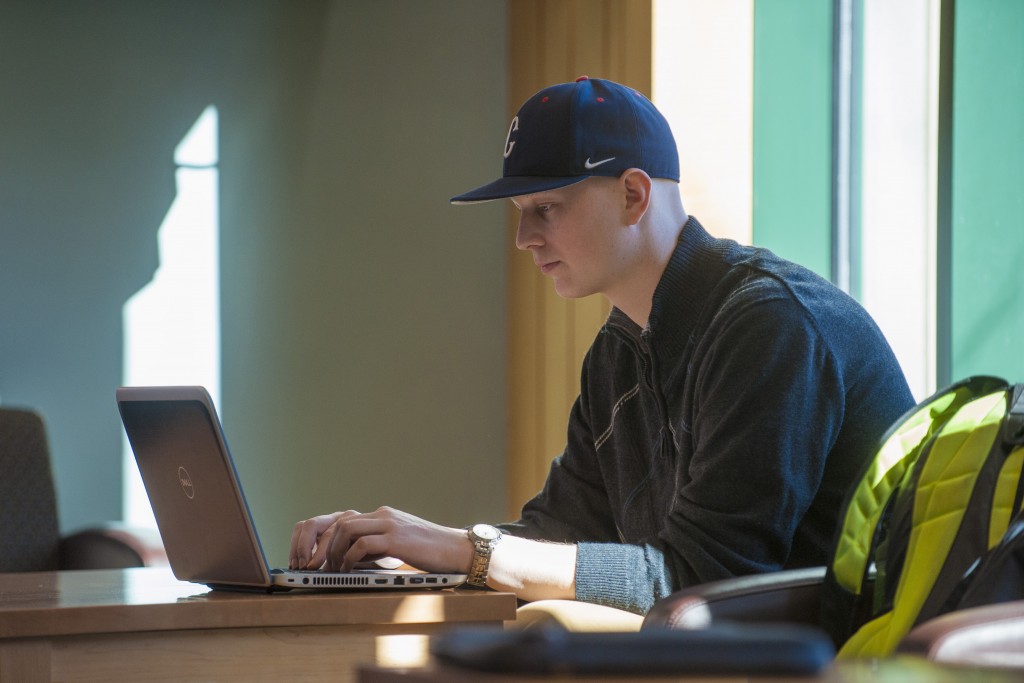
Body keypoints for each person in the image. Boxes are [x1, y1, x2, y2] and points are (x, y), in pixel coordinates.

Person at [289, 76, 915, 617]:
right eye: (520, 211)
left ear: (634, 195)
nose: (523, 238)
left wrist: (467, 551)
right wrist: (408, 553)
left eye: (547, 207)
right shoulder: (619, 350)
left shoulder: (770, 325)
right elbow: (556, 537)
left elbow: (702, 583)